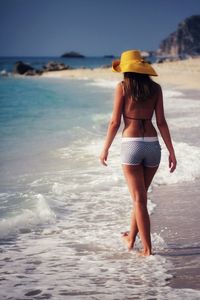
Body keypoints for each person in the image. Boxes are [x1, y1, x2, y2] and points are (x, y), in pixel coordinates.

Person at [99, 50, 177, 256]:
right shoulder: (156, 88)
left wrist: (105, 148)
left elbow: (115, 122)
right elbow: (161, 122)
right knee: (140, 197)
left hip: (131, 144)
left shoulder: (122, 87)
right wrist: (171, 151)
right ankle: (131, 239)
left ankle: (147, 249)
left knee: (138, 199)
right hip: (152, 146)